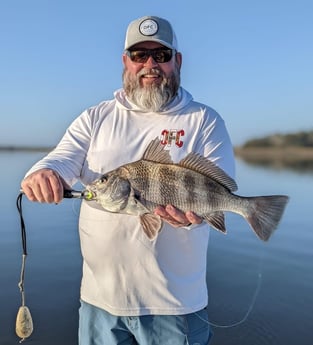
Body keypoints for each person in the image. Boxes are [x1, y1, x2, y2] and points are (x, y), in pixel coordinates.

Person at [21, 15, 235, 345]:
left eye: (161, 55)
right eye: (139, 55)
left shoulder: (203, 120)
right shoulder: (95, 117)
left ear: (177, 61)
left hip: (175, 307)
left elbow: (218, 192)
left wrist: (191, 220)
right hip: (98, 303)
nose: (150, 64)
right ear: (125, 61)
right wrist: (43, 173)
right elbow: (61, 158)